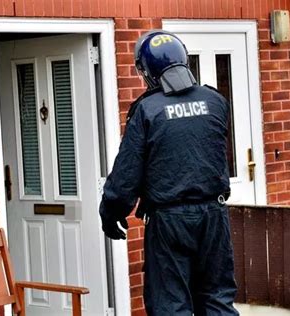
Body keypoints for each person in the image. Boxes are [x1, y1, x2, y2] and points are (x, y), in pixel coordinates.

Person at [99, 30, 239, 316]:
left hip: (169, 220)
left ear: (147, 71)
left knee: (170, 305)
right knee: (217, 299)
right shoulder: (215, 101)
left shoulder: (147, 110)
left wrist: (111, 212)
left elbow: (127, 174)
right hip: (214, 214)